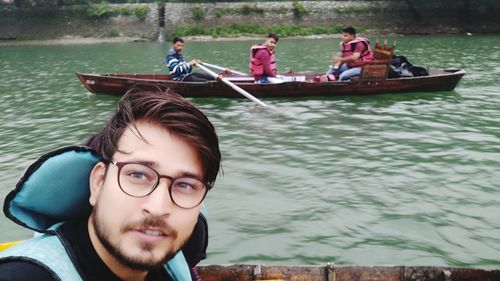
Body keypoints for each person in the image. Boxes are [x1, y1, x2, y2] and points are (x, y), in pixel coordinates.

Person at [0, 89, 221, 281]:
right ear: (98, 182)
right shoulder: (23, 275)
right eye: (137, 174)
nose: (159, 208)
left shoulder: (183, 252)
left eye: (185, 185)